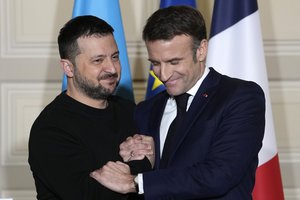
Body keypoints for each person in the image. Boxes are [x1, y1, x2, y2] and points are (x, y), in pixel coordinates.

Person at [90, 5, 266, 200]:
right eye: (155, 63)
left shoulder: (240, 97)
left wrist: (135, 182)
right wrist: (133, 155)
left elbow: (220, 174)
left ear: (201, 50)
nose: (163, 75)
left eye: (174, 62)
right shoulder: (146, 110)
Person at [28, 15, 153, 200]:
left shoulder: (128, 110)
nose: (111, 68)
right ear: (68, 68)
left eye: (115, 57)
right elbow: (93, 195)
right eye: (98, 60)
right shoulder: (50, 130)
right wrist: (143, 164)